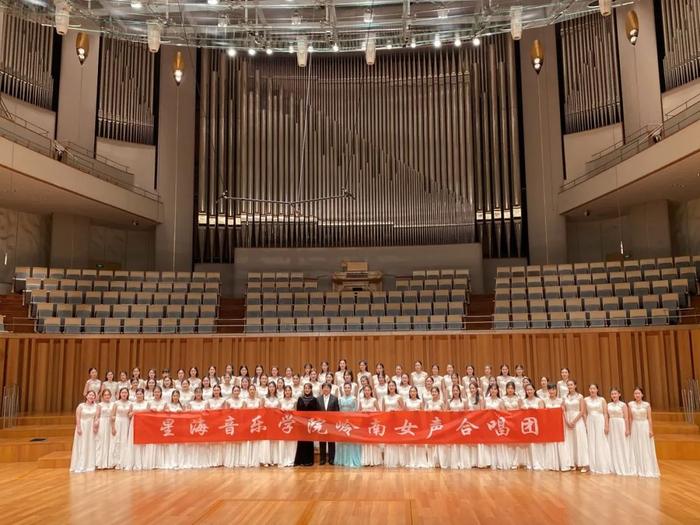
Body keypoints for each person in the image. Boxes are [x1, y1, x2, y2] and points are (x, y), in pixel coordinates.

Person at [629, 387, 660, 478]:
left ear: (642, 394)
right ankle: (637, 468)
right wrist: (630, 429)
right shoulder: (630, 404)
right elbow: (630, 418)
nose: (637, 395)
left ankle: (648, 468)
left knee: (645, 446)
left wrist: (650, 430)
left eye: (638, 393)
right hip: (635, 425)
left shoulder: (646, 405)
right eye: (635, 393)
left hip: (644, 425)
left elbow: (649, 418)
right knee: (636, 446)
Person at [543, 383, 572, 472]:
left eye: (553, 389)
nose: (552, 391)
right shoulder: (545, 401)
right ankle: (552, 464)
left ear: (556, 391)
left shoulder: (561, 400)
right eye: (550, 390)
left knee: (560, 443)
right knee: (551, 443)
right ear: (548, 391)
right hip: (549, 424)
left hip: (559, 424)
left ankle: (563, 464)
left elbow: (564, 413)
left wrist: (567, 422)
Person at [607, 387, 636, 476]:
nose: (614, 395)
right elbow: (607, 417)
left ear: (619, 394)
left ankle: (624, 465)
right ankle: (614, 466)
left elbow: (626, 418)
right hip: (612, 425)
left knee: (622, 444)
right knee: (613, 444)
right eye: (612, 394)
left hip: (620, 425)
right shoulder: (608, 405)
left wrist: (627, 429)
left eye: (615, 394)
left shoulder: (623, 405)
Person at [584, 384, 612, 474]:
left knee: (600, 441)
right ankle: (592, 464)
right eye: (590, 388)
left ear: (597, 389)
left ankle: (602, 464)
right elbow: (584, 413)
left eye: (594, 388)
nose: (592, 390)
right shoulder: (586, 400)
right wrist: (585, 424)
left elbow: (605, 413)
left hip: (600, 421)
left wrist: (606, 425)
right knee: (591, 441)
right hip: (590, 421)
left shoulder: (602, 400)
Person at [69, 391, 99, 473]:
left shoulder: (96, 406)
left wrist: (96, 425)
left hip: (91, 427)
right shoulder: (81, 406)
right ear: (86, 396)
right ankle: (80, 464)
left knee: (90, 444)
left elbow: (97, 417)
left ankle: (89, 464)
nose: (91, 396)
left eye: (93, 395)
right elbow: (78, 417)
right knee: (82, 444)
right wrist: (78, 427)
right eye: (90, 395)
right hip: (83, 426)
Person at [563, 379, 589, 473]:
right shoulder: (565, 397)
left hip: (577, 420)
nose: (570, 386)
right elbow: (563, 410)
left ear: (575, 385)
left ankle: (583, 464)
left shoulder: (580, 397)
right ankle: (572, 463)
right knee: (570, 442)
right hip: (568, 420)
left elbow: (582, 411)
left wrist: (574, 421)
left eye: (571, 385)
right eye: (568, 385)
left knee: (580, 441)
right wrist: (567, 421)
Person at [335, 383, 362, 468]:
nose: (347, 389)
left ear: (351, 389)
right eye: (345, 388)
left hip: (351, 422)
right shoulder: (340, 399)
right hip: (342, 422)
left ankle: (352, 459)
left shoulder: (354, 398)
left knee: (351, 441)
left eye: (348, 388)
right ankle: (342, 460)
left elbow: (355, 410)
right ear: (343, 389)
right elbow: (339, 410)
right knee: (342, 441)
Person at [403, 386, 429, 468]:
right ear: (409, 393)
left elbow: (423, 413)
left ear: (417, 392)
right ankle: (411, 461)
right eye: (411, 391)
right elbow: (404, 413)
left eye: (414, 391)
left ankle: (420, 461)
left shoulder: (420, 401)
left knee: (419, 443)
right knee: (410, 442)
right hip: (409, 425)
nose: (413, 393)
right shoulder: (406, 401)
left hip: (418, 424)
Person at [295, 383, 319, 466]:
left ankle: (308, 461)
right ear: (303, 389)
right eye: (305, 388)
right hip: (301, 424)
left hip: (310, 424)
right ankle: (300, 460)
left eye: (308, 388)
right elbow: (297, 411)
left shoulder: (314, 399)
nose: (307, 389)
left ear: (311, 389)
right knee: (301, 442)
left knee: (309, 442)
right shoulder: (300, 399)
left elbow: (317, 413)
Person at [381, 380, 404, 468]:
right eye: (389, 386)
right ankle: (389, 460)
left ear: (395, 387)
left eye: (392, 386)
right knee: (388, 440)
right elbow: (383, 411)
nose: (391, 387)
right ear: (388, 387)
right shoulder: (384, 397)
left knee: (396, 440)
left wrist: (396, 411)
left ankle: (397, 461)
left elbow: (403, 409)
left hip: (396, 421)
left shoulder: (399, 397)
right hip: (387, 421)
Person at [125, 388, 149, 470]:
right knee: (134, 442)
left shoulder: (147, 403)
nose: (139, 395)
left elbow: (149, 414)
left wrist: (139, 412)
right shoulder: (132, 404)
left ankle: (143, 462)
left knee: (143, 442)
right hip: (134, 423)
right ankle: (135, 462)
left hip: (143, 424)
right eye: (138, 394)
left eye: (141, 394)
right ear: (135, 395)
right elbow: (129, 415)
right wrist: (133, 413)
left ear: (143, 394)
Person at [522, 384, 545, 470]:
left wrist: (535, 410)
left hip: (537, 425)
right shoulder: (524, 401)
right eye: (527, 390)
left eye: (531, 389)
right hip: (527, 426)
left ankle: (539, 463)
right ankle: (530, 463)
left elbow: (543, 413)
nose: (529, 391)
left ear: (534, 390)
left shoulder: (539, 401)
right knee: (530, 445)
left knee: (537, 444)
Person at [484, 383, 507, 470]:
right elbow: (482, 411)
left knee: (497, 443)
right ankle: (489, 462)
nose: (493, 390)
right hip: (488, 424)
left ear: (497, 391)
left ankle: (498, 462)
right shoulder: (486, 400)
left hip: (497, 425)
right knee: (489, 443)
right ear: (489, 390)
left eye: (495, 389)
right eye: (491, 389)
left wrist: (496, 411)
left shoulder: (500, 401)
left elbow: (504, 412)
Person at [359, 385, 383, 466]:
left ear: (371, 391)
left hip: (372, 423)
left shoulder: (374, 400)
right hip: (364, 423)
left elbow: (379, 411)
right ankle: (366, 461)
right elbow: (358, 411)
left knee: (372, 441)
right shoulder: (361, 400)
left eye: (368, 390)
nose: (367, 392)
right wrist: (362, 412)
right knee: (365, 441)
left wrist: (371, 414)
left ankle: (374, 460)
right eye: (365, 390)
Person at [425, 387, 448, 468]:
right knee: (431, 443)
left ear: (438, 393)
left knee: (439, 443)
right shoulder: (428, 402)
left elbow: (445, 414)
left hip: (439, 425)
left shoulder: (441, 403)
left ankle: (440, 461)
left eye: (435, 392)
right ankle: (432, 462)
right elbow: (425, 414)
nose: (434, 393)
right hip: (430, 425)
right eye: (432, 391)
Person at [317, 382, 340, 465]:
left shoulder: (334, 399)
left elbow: (337, 412)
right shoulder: (318, 399)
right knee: (322, 441)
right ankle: (322, 459)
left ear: (330, 389)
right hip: (321, 424)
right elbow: (315, 413)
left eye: (327, 388)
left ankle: (331, 459)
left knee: (331, 442)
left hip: (331, 424)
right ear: (322, 389)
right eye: (324, 388)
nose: (326, 389)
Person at [502, 381, 523, 469]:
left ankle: (516, 461)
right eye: (508, 388)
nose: (510, 390)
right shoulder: (503, 398)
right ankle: (508, 461)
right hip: (506, 421)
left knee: (516, 441)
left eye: (512, 388)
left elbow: (520, 410)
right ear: (506, 389)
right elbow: (502, 410)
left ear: (514, 389)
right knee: (508, 441)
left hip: (516, 421)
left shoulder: (518, 398)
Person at [223, 386, 245, 468]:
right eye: (235, 390)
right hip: (231, 424)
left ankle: (239, 461)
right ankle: (230, 460)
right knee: (231, 442)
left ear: (239, 392)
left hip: (239, 423)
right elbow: (225, 413)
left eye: (237, 391)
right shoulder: (228, 401)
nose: (236, 392)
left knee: (239, 442)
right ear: (232, 392)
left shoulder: (243, 401)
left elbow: (245, 413)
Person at [447, 384, 468, 469]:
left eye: (456, 390)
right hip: (452, 425)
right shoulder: (449, 401)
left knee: (462, 443)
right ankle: (454, 462)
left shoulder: (464, 401)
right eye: (454, 390)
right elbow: (446, 413)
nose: (455, 392)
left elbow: (467, 413)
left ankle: (462, 462)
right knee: (454, 443)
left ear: (459, 391)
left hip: (462, 424)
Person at [110, 387, 132, 469]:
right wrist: (112, 427)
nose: (124, 394)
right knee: (116, 441)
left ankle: (124, 462)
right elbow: (112, 416)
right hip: (118, 423)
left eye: (126, 392)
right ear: (120, 394)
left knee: (124, 441)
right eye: (122, 392)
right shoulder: (116, 403)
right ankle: (115, 462)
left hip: (126, 423)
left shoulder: (130, 403)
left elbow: (130, 415)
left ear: (128, 394)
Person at [261, 383, 281, 467]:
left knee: (274, 441)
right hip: (267, 421)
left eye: (273, 387)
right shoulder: (264, 398)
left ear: (275, 388)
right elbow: (261, 410)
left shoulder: (278, 398)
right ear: (268, 388)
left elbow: (280, 411)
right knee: (266, 441)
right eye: (270, 387)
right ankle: (266, 460)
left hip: (275, 421)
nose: (271, 388)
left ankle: (274, 459)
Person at [207, 385, 227, 467]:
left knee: (220, 443)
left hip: (220, 423)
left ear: (220, 391)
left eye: (217, 390)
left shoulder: (223, 400)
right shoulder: (209, 401)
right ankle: (212, 461)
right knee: (212, 442)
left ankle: (219, 461)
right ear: (213, 391)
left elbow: (225, 412)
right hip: (212, 423)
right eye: (214, 390)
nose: (216, 392)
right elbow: (207, 412)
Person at [163, 390, 183, 469]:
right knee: (171, 445)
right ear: (172, 397)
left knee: (178, 445)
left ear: (179, 397)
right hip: (170, 427)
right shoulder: (168, 405)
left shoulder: (181, 405)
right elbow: (165, 414)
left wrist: (181, 412)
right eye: (174, 396)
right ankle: (171, 462)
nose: (175, 397)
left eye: (177, 396)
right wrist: (167, 412)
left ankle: (179, 462)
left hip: (179, 426)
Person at [279, 385, 298, 467]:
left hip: (291, 424)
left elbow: (297, 412)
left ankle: (291, 460)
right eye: (286, 390)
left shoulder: (294, 401)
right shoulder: (281, 401)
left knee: (291, 443)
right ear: (284, 392)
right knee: (283, 443)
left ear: (291, 392)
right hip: (283, 425)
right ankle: (283, 460)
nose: (287, 392)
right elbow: (278, 413)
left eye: (289, 390)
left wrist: (291, 411)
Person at [95, 389, 114, 470]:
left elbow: (114, 415)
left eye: (108, 395)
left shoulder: (113, 404)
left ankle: (110, 462)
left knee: (110, 441)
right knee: (102, 442)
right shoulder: (99, 405)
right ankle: (100, 463)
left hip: (110, 423)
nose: (107, 396)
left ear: (110, 396)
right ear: (102, 396)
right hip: (102, 423)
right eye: (105, 395)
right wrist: (96, 424)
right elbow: (97, 416)